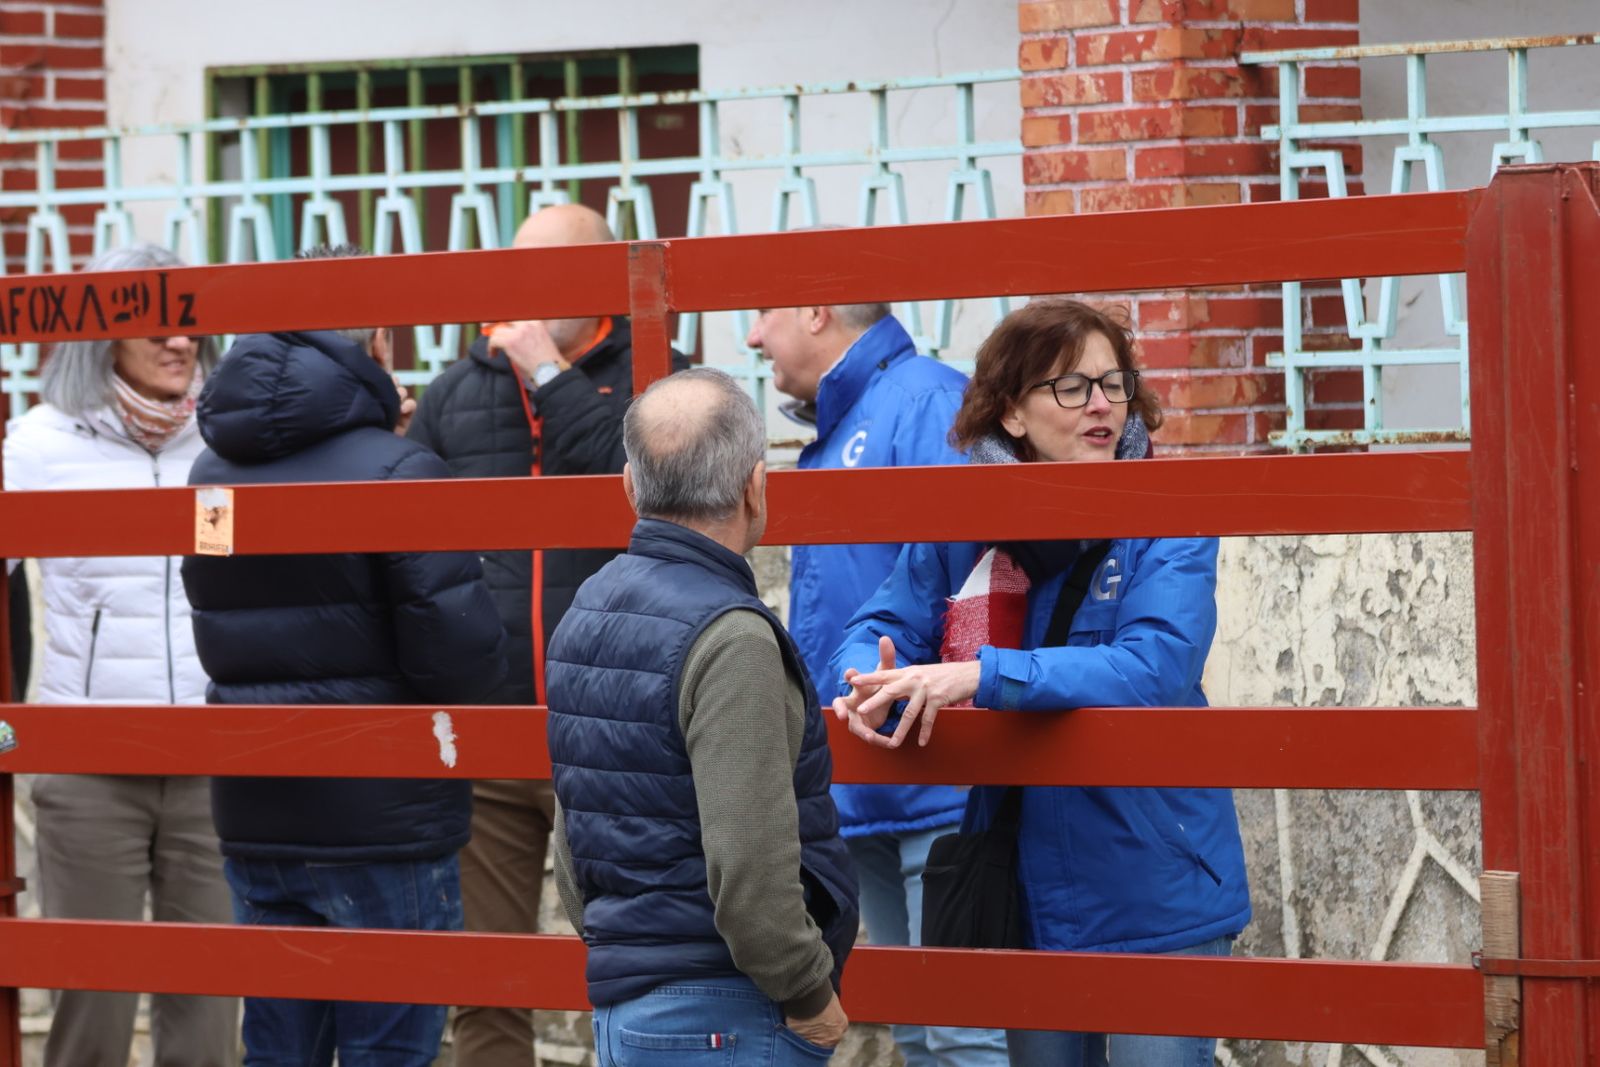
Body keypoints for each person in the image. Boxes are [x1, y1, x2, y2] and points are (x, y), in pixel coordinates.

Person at [830, 298, 1250, 1067]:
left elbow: (1153, 667)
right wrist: (869, 678)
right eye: (1070, 386)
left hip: (1153, 879)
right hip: (1025, 888)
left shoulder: (1168, 514)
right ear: (1012, 415)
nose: (1100, 404)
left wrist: (981, 676)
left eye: (1114, 383)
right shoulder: (966, 521)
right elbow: (874, 626)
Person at [181, 245, 508, 1067]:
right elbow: (460, 662)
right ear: (378, 343)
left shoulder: (209, 472)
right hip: (384, 819)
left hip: (255, 806)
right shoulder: (398, 467)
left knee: (278, 1050)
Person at [405, 201, 688, 1067]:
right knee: (488, 978)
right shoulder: (454, 392)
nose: (526, 294)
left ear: (603, 275)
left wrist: (550, 375)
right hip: (488, 730)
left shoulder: (661, 377)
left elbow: (641, 486)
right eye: (517, 271)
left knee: (636, 965)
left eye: (552, 272)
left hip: (615, 729)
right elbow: (414, 542)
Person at [545, 368, 859, 1065]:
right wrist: (809, 995)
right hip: (729, 1009)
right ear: (755, 485)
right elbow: (750, 872)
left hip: (629, 1008)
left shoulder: (586, 610)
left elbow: (572, 841)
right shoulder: (732, 638)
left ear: (630, 486)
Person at [747, 297, 1008, 1066]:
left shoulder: (926, 400)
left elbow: (972, 581)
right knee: (919, 1028)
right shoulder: (840, 426)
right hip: (864, 778)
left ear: (818, 309)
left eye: (766, 311)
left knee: (963, 1029)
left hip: (940, 774)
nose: (755, 334)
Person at [2, 242, 238, 1067]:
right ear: (100, 335)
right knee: (90, 1001)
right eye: (157, 324)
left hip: (214, 759)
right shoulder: (34, 445)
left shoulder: (228, 437)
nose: (181, 342)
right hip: (89, 761)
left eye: (191, 325)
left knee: (208, 1004)